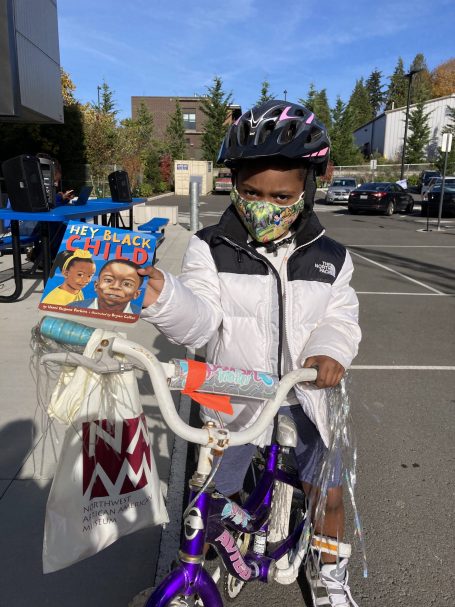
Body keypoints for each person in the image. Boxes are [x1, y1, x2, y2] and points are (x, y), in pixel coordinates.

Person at [139, 100, 361, 606]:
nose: (265, 204)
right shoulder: (210, 247)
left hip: (303, 393)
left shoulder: (330, 258)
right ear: (234, 184)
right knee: (213, 492)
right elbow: (200, 317)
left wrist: (327, 352)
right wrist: (160, 295)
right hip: (234, 394)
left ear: (308, 186)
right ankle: (212, 563)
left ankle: (330, 575)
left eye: (280, 195)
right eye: (251, 192)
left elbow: (339, 319)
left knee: (326, 490)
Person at [70, 259, 144, 314]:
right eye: (108, 280)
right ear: (96, 285)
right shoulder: (73, 308)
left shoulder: (139, 315)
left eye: (127, 284)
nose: (115, 287)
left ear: (136, 294)